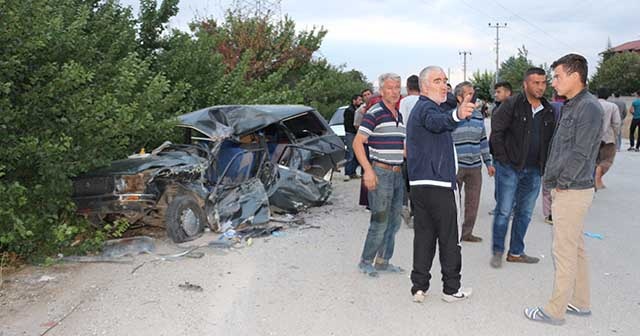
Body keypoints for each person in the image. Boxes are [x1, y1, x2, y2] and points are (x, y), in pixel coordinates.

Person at [524, 53, 603, 326]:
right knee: (576, 248)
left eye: (557, 76)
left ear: (574, 75)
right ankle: (580, 302)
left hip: (572, 191)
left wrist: (561, 183)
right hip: (569, 188)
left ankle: (554, 311)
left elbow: (581, 153)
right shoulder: (572, 104)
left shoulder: (589, 107)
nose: (553, 82)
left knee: (564, 252)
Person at [406, 66, 474, 303]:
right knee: (449, 238)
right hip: (438, 184)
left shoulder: (427, 106)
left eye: (445, 80)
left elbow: (444, 111)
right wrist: (457, 115)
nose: (444, 85)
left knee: (424, 237)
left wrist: (458, 103)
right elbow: (438, 121)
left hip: (420, 185)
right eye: (437, 80)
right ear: (424, 86)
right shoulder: (426, 109)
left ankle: (419, 287)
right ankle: (451, 289)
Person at [489, 67, 556, 268]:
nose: (540, 87)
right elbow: (497, 132)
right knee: (504, 210)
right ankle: (498, 251)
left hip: (534, 170)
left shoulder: (549, 110)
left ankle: (516, 252)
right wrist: (503, 160)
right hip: (510, 168)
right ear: (525, 84)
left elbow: (551, 140)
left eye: (543, 83)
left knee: (525, 212)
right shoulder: (511, 105)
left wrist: (546, 166)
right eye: (536, 82)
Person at [353, 73, 405, 277]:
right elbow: (357, 143)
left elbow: (400, 148)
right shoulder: (375, 113)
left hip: (397, 173)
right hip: (381, 172)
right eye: (390, 88)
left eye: (397, 88)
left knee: (394, 221)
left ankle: (383, 261)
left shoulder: (398, 115)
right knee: (380, 221)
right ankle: (366, 261)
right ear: (382, 91)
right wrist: (368, 170)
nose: (394, 92)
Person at [451, 82, 495, 242]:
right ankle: (452, 233)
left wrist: (488, 163)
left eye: (473, 93)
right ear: (459, 97)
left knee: (473, 203)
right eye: (469, 93)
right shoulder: (451, 116)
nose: (473, 96)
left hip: (475, 167)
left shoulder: (478, 116)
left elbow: (483, 140)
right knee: (453, 203)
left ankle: (467, 233)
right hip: (455, 167)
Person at [399, 75, 420, 227]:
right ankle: (417, 212)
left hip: (408, 146)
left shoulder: (405, 102)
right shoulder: (425, 101)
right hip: (423, 148)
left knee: (407, 180)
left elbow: (402, 124)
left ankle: (406, 206)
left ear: (408, 87)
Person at [542, 92, 565, 225]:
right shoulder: (570, 108)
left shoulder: (549, 107)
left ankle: (549, 213)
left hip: (547, 148)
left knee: (547, 184)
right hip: (563, 149)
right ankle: (560, 212)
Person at [595, 87, 622, 190]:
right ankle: (598, 179)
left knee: (594, 159)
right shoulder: (612, 106)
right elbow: (616, 122)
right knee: (607, 160)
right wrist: (615, 134)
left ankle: (595, 179)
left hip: (592, 138)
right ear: (609, 96)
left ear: (597, 95)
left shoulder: (592, 104)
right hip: (608, 138)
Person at [343, 94, 363, 180]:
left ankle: (353, 172)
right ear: (354, 101)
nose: (360, 102)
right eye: (359, 100)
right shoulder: (349, 111)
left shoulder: (358, 110)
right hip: (351, 134)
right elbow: (348, 124)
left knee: (356, 154)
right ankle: (347, 173)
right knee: (351, 153)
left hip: (356, 134)